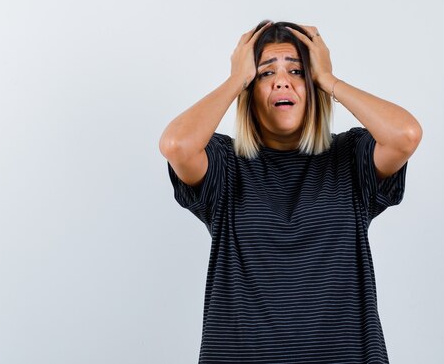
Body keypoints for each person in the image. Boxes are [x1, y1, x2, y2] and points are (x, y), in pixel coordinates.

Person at [159, 20, 423, 364]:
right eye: (266, 73)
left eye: (297, 71)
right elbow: (176, 145)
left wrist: (329, 80)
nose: (282, 80)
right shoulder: (224, 164)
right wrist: (234, 80)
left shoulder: (350, 157)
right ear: (250, 89)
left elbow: (406, 135)